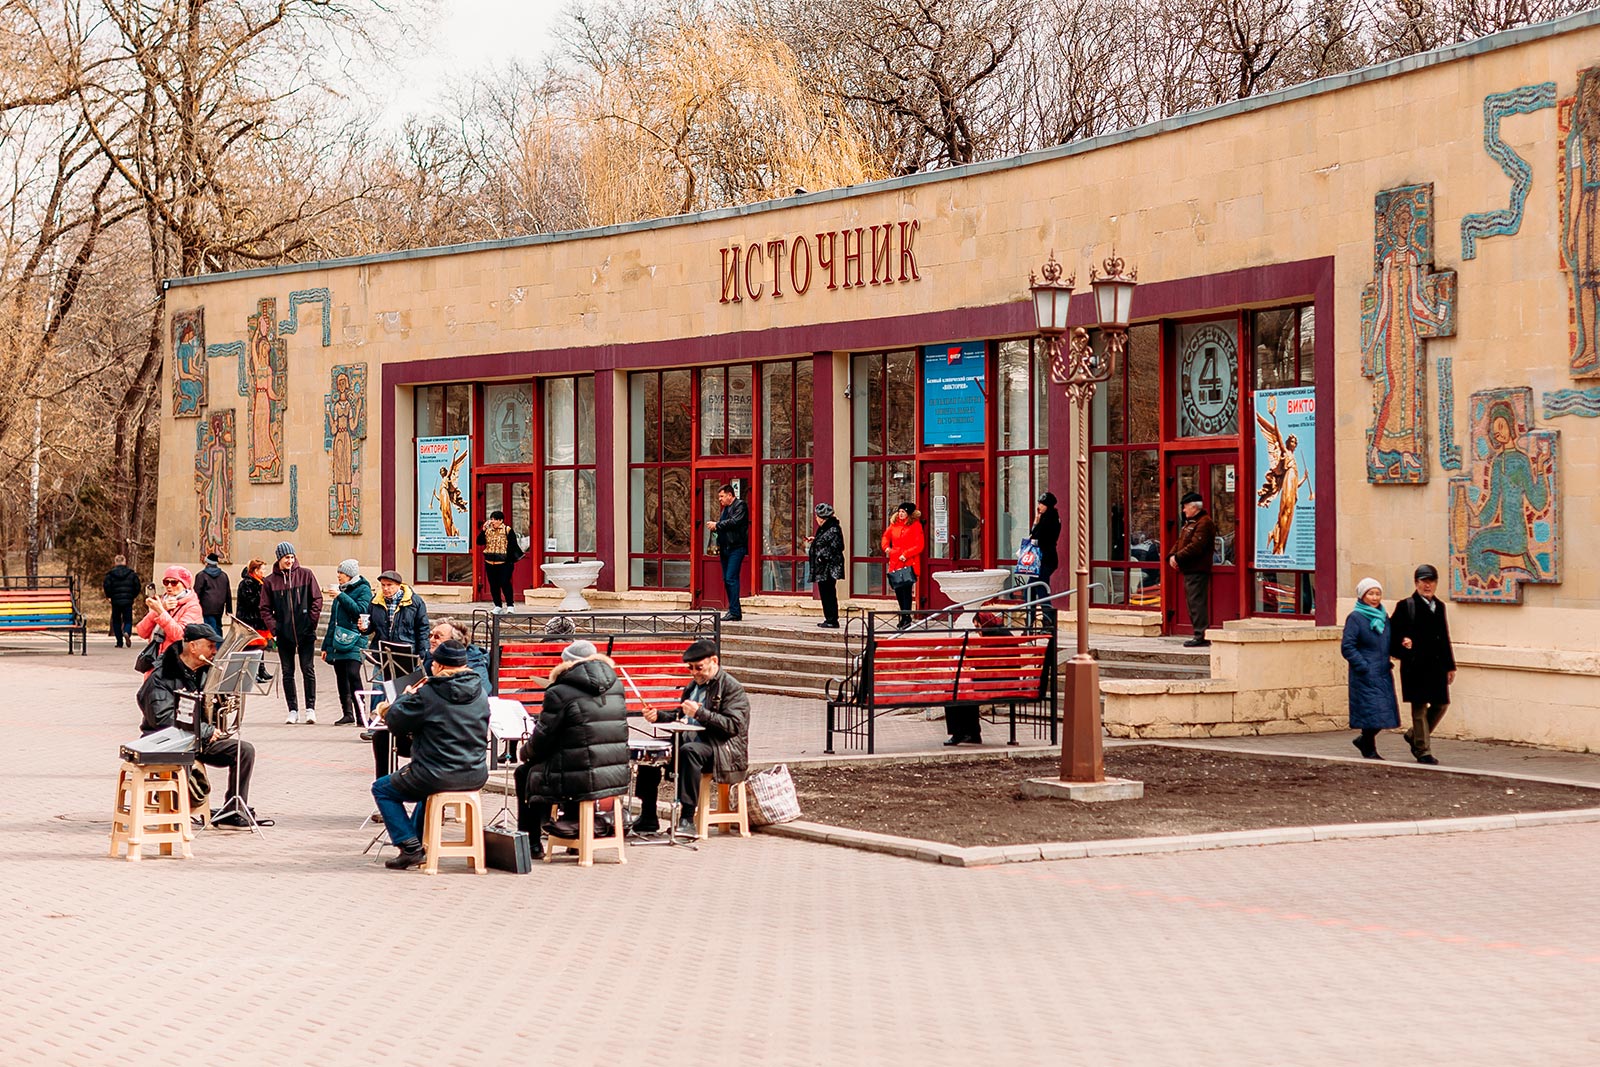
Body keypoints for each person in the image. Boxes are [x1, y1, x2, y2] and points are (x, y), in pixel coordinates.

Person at [370, 639, 491, 870]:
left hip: (435, 772)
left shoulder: (430, 693)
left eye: (433, 663)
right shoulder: (480, 692)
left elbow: (396, 722)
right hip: (475, 772)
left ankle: (409, 846)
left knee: (382, 789)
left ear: (440, 666)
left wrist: (405, 696)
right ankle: (417, 842)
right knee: (428, 791)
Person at [136, 622, 264, 828]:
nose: (215, 651)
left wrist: (227, 695)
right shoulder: (161, 677)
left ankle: (233, 810)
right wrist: (205, 730)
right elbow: (163, 720)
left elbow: (212, 708)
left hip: (197, 739)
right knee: (183, 760)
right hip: (168, 742)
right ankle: (176, 812)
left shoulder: (207, 672)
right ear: (193, 647)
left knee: (244, 750)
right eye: (210, 646)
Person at [514, 639, 630, 846]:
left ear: (566, 664)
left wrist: (525, 752)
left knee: (526, 772)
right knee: (571, 764)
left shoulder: (559, 691)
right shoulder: (616, 685)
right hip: (614, 773)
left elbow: (543, 738)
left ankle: (530, 843)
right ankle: (575, 836)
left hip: (580, 775)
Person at [633, 640, 750, 837]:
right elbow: (682, 716)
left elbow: (733, 726)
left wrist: (700, 714)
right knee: (650, 752)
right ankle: (648, 814)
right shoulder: (693, 686)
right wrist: (659, 716)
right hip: (693, 741)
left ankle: (687, 818)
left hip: (721, 748)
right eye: (691, 668)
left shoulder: (731, 688)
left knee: (689, 752)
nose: (694, 672)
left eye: (699, 668)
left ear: (714, 661)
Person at [1388, 563, 1456, 766]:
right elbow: (1392, 635)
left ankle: (1414, 735)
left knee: (1441, 704)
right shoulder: (1406, 605)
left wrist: (1450, 665)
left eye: (1431, 581)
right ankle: (1423, 750)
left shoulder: (1440, 606)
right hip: (1415, 666)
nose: (1428, 585)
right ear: (1416, 583)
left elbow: (1444, 636)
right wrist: (1403, 646)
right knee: (1419, 707)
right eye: (1423, 581)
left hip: (1436, 666)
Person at [259, 541, 323, 724]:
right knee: (288, 672)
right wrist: (275, 628)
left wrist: (311, 622)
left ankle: (310, 708)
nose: (290, 560)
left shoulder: (306, 575)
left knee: (308, 669)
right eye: (286, 557)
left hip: (305, 632)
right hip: (284, 634)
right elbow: (264, 608)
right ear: (279, 558)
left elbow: (317, 599)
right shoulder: (270, 581)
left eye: (292, 557)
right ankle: (292, 710)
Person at [1342, 577, 1400, 760]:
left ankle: (1364, 741)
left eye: (1377, 593)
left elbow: (1389, 641)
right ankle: (1369, 747)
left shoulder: (1384, 617)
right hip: (1365, 673)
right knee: (1372, 712)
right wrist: (1363, 665)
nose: (1375, 598)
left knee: (1384, 712)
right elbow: (1348, 646)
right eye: (1371, 594)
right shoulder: (1355, 618)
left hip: (1382, 670)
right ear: (1362, 596)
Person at [322, 560, 373, 726]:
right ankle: (347, 713)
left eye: (341, 573)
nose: (338, 576)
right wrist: (326, 646)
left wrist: (340, 596)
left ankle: (361, 714)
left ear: (350, 574)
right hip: (338, 640)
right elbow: (333, 621)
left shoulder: (363, 589)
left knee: (353, 674)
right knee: (341, 677)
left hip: (356, 639)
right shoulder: (340, 591)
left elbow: (361, 611)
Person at [1168, 491, 1217, 647]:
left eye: (1185, 507)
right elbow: (1181, 541)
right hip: (1189, 569)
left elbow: (1196, 546)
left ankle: (1201, 635)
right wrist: (1172, 555)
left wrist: (1178, 557)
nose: (1183, 510)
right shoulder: (1190, 523)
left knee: (1196, 603)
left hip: (1198, 569)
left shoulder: (1204, 523)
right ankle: (1199, 633)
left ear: (1193, 507)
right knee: (1192, 602)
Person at [134, 566, 205, 662]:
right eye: (166, 582)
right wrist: (158, 610)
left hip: (176, 665)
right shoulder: (163, 602)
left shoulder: (192, 607)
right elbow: (142, 631)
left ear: (185, 585)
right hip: (156, 663)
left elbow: (181, 636)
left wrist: (161, 611)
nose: (169, 586)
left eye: (174, 582)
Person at [881, 501, 925, 629]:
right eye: (899, 511)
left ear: (909, 514)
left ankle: (907, 617)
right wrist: (886, 548)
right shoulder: (894, 525)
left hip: (908, 562)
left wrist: (906, 554)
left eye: (903, 512)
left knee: (906, 590)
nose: (900, 514)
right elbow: (885, 537)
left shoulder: (916, 526)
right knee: (898, 590)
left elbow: (919, 545)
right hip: (895, 561)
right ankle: (904, 615)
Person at [712, 485, 749, 621]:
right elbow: (725, 524)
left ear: (729, 495)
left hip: (736, 548)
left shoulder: (740, 506)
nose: (720, 500)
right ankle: (734, 610)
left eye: (722, 496)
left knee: (731, 578)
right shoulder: (725, 509)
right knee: (727, 579)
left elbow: (735, 522)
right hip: (725, 548)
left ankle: (734, 611)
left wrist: (717, 525)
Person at [806, 503, 845, 628]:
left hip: (828, 568)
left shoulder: (833, 529)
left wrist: (822, 557)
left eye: (817, 516)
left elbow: (837, 547)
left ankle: (832, 619)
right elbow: (825, 541)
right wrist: (815, 540)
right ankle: (829, 618)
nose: (816, 519)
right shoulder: (826, 528)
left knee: (828, 593)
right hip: (824, 567)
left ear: (822, 518)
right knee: (825, 593)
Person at [477, 510, 523, 615]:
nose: (492, 521)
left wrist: (509, 561)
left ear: (500, 520)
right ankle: (498, 605)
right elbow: (479, 542)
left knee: (505, 583)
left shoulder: (507, 530)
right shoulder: (488, 531)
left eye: (495, 519)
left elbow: (512, 545)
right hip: (490, 562)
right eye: (491, 519)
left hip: (504, 563)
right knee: (493, 585)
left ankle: (510, 605)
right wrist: (483, 530)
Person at [235, 559, 272, 684]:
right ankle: (251, 672)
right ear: (256, 570)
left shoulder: (261, 582)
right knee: (251, 647)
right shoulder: (247, 583)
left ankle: (261, 670)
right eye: (262, 569)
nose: (264, 571)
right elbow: (252, 602)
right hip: (249, 620)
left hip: (258, 620)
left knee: (260, 646)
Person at [1029, 492, 1062, 625]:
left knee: (1040, 589)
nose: (1039, 506)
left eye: (1041, 504)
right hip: (1044, 559)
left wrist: (1036, 523)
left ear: (1048, 506)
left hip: (1044, 559)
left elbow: (1035, 537)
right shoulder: (1049, 518)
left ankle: (1047, 621)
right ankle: (1033, 620)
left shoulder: (1049, 520)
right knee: (1032, 588)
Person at [102, 554, 142, 648]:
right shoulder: (132, 574)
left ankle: (119, 642)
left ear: (115, 562)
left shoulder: (110, 574)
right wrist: (132, 596)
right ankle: (127, 632)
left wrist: (109, 596)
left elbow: (106, 586)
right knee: (127, 619)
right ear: (125, 562)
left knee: (116, 621)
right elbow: (137, 586)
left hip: (115, 601)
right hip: (128, 600)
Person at [193, 552, 233, 633]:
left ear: (207, 563)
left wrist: (194, 607)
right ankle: (219, 645)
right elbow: (228, 593)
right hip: (219, 608)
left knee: (209, 630)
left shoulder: (201, 575)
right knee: (218, 628)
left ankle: (213, 645)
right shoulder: (224, 575)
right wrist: (229, 609)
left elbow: (196, 593)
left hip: (206, 607)